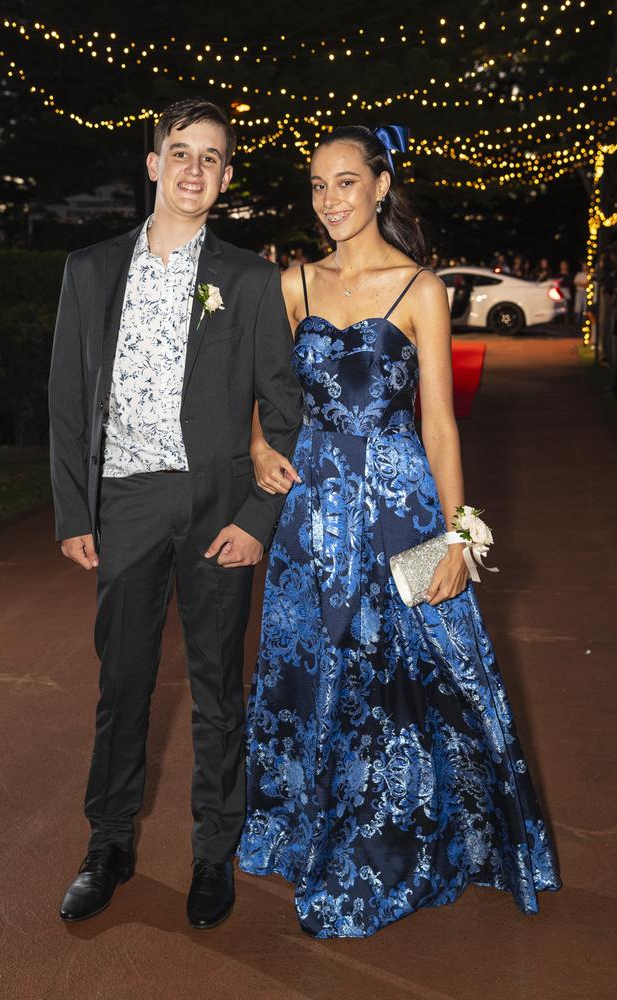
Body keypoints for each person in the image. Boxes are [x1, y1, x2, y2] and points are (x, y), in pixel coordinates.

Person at [237, 124, 561, 938]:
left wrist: (458, 536)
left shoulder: (420, 287)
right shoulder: (293, 284)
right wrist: (256, 445)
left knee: (427, 665)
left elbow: (442, 425)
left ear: (381, 186)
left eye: (345, 182)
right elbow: (264, 388)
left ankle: (390, 846)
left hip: (404, 502)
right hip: (314, 512)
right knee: (312, 670)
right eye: (317, 185)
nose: (329, 200)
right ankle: (315, 825)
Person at [49, 98, 301, 929]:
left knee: (216, 689)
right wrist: (72, 511)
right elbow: (66, 403)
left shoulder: (251, 279)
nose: (194, 169)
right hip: (121, 502)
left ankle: (211, 852)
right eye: (180, 153)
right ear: (153, 165)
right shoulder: (88, 271)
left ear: (226, 179)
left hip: (216, 511)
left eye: (212, 158)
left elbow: (284, 411)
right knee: (122, 686)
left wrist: (257, 521)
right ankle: (108, 844)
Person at [573, 262, 589, 329]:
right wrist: (583, 285)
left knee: (585, 307)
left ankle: (584, 323)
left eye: (585, 266)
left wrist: (584, 285)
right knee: (578, 307)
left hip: (586, 292)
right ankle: (577, 323)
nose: (584, 267)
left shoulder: (589, 275)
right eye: (583, 266)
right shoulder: (579, 274)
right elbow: (575, 282)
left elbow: (589, 284)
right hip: (579, 292)